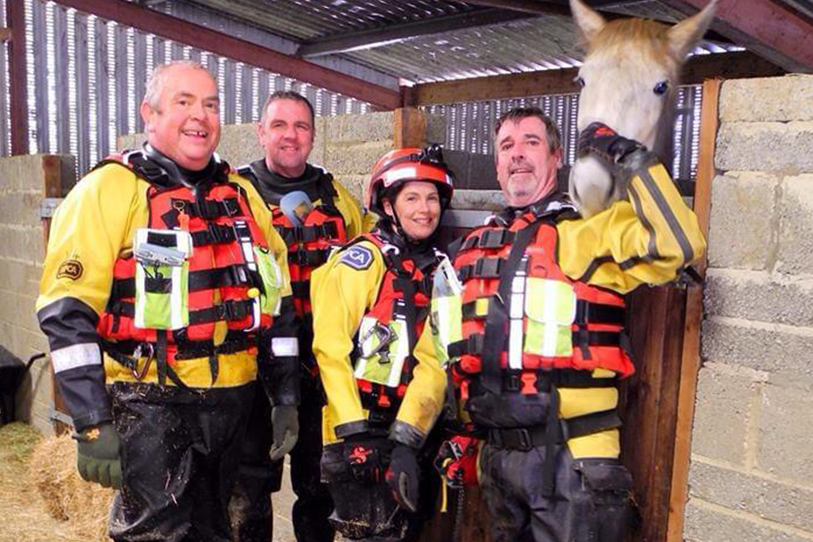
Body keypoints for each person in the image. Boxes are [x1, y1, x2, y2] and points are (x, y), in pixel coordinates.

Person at [36, 61, 300, 542]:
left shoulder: (242, 196)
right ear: (150, 113)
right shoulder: (108, 190)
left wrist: (285, 397)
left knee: (227, 530)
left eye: (211, 105)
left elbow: (277, 303)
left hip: (236, 405)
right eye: (184, 102)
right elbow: (66, 312)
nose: (200, 115)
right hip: (150, 404)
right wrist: (91, 421)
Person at [439, 107, 706, 542]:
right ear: (497, 163)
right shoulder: (472, 251)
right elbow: (446, 354)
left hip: (574, 460)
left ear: (556, 156)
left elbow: (680, 241)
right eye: (507, 146)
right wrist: (436, 434)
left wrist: (630, 157)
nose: (517, 154)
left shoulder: (588, 233)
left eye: (531, 142)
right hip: (498, 461)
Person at [230, 91, 364, 542]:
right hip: (256, 373)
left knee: (320, 487)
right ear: (261, 132)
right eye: (280, 125)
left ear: (313, 135)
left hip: (321, 369)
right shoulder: (237, 193)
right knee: (249, 486)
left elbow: (367, 260)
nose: (291, 135)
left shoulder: (336, 197)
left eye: (301, 126)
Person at [311, 145, 455, 541]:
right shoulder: (363, 261)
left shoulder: (441, 272)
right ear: (389, 206)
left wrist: (408, 439)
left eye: (431, 198)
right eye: (412, 198)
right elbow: (329, 348)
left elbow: (435, 360)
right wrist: (354, 433)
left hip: (411, 431)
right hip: (358, 429)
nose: (424, 209)